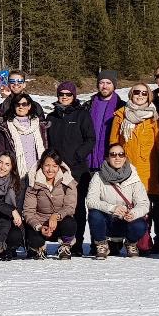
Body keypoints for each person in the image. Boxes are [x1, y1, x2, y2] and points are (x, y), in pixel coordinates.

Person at [109, 83, 159, 253]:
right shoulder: (120, 116)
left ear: (149, 96)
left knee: (148, 206)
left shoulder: (155, 117)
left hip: (149, 169)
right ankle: (121, 240)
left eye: (144, 93)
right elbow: (114, 142)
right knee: (124, 204)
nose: (140, 95)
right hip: (127, 170)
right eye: (136, 92)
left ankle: (150, 240)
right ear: (130, 94)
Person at [45, 81, 95, 255]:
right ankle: (64, 240)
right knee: (58, 205)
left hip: (77, 170)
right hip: (56, 170)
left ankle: (77, 243)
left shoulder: (82, 115)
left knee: (77, 207)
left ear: (74, 96)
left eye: (68, 94)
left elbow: (90, 139)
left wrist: (76, 156)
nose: (64, 97)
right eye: (61, 94)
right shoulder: (51, 117)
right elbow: (47, 143)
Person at [85, 143, 150, 260]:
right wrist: (112, 208)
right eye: (113, 154)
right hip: (107, 220)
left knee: (140, 224)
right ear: (107, 157)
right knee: (94, 214)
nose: (117, 158)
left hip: (126, 219)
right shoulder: (98, 177)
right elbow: (91, 201)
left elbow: (144, 204)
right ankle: (101, 245)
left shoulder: (133, 177)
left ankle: (131, 243)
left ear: (125, 158)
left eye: (121, 154)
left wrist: (133, 213)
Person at [22, 150, 79, 260]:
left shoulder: (68, 181)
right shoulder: (33, 182)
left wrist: (56, 216)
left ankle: (65, 247)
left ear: (59, 166)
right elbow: (29, 211)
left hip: (59, 223)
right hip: (40, 223)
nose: (50, 169)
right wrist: (39, 227)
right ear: (42, 165)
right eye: (47, 165)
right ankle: (39, 248)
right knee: (34, 238)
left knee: (70, 223)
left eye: (54, 166)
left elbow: (70, 207)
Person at [0, 92, 47, 184]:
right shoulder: (5, 128)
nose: (21, 107)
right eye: (18, 104)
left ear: (29, 106)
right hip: (15, 174)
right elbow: (0, 151)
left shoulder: (39, 126)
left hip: (38, 172)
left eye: (24, 104)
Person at [85, 70, 126, 173]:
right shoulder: (88, 106)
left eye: (108, 83)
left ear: (114, 85)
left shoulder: (121, 107)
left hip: (112, 158)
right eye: (101, 82)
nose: (105, 86)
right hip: (88, 158)